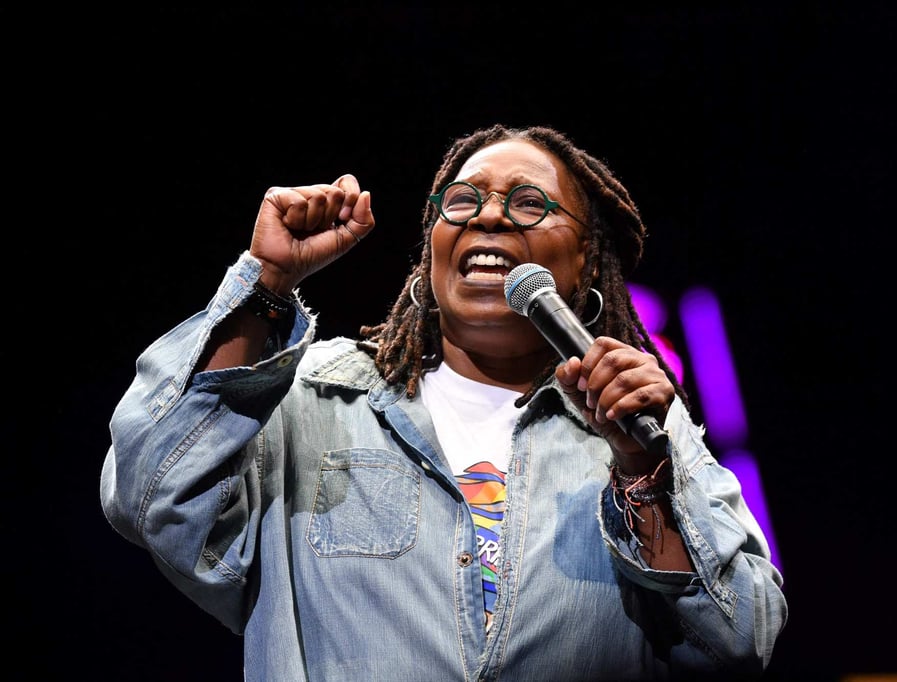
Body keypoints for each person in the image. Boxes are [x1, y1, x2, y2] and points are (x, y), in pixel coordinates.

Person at [100, 123, 787, 681]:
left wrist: (642, 473)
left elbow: (741, 636)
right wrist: (266, 287)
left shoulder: (642, 426)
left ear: (584, 263)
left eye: (528, 204)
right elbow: (151, 495)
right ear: (430, 252)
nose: (489, 215)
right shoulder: (311, 401)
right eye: (462, 202)